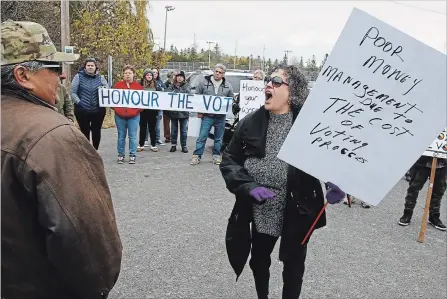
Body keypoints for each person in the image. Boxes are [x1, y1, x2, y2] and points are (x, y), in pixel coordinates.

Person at [1, 20, 122, 298]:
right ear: (23, 75)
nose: (62, 77)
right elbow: (87, 242)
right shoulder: (52, 136)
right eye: (54, 68)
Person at [219, 64, 345, 299]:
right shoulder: (250, 122)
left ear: (292, 91)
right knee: (258, 261)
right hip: (261, 210)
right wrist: (249, 186)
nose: (268, 84)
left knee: (294, 267)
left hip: (298, 210)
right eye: (268, 80)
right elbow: (229, 160)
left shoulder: (310, 125)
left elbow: (328, 157)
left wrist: (334, 182)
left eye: (276, 82)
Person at [190, 63, 234, 165]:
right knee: (202, 136)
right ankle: (197, 156)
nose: (217, 74)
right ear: (213, 71)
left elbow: (231, 99)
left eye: (220, 73)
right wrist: (199, 111)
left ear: (223, 74)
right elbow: (197, 96)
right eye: (216, 71)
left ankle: (216, 156)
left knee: (218, 138)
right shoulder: (203, 82)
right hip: (207, 116)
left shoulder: (228, 85)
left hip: (220, 117)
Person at [70, 57, 109, 150]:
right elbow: (72, 92)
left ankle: (95, 151)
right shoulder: (78, 77)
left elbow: (107, 90)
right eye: (88, 65)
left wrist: (103, 89)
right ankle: (87, 153)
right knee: (84, 132)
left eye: (92, 65)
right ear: (85, 67)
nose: (90, 67)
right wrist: (79, 103)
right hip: (82, 110)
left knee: (96, 131)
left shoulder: (101, 78)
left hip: (98, 110)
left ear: (96, 67)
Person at [398, 156, 446, 230]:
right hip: (422, 162)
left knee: (438, 191)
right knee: (413, 189)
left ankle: (434, 217)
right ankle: (407, 214)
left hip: (442, 164)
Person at [112, 65, 144, 164]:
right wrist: (117, 110)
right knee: (121, 136)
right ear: (123, 74)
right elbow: (112, 100)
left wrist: (137, 111)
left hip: (134, 116)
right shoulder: (118, 86)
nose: (128, 75)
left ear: (133, 74)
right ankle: (121, 155)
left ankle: (132, 155)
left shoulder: (138, 87)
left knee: (133, 136)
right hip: (120, 116)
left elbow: (143, 101)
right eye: (126, 73)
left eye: (129, 73)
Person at [165, 70, 191, 153]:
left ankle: (184, 145)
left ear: (183, 78)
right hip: (174, 112)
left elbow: (187, 93)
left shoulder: (187, 85)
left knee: (183, 130)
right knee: (174, 130)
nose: (179, 78)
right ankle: (173, 145)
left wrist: (176, 91)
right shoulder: (171, 85)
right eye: (178, 76)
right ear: (176, 77)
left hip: (184, 113)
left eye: (181, 76)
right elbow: (167, 93)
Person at [138, 69, 162, 152]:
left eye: (150, 75)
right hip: (143, 110)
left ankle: (153, 144)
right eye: (147, 75)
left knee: (152, 127)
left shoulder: (156, 85)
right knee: (142, 127)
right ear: (145, 76)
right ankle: (141, 144)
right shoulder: (140, 84)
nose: (149, 76)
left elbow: (161, 95)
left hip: (153, 110)